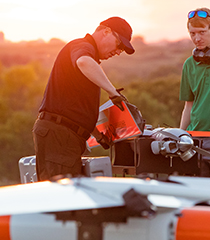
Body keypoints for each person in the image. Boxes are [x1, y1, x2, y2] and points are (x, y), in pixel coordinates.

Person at [33, 17, 135, 181]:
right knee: (63, 198)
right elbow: (83, 61)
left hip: (63, 135)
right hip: (60, 135)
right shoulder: (82, 46)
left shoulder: (90, 57)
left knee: (66, 195)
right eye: (119, 45)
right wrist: (113, 92)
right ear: (106, 32)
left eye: (121, 50)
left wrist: (99, 136)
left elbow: (77, 110)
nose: (118, 52)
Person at [179, 8, 210, 178]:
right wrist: (180, 135)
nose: (197, 38)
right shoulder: (188, 65)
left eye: (202, 32)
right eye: (192, 33)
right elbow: (188, 106)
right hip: (193, 141)